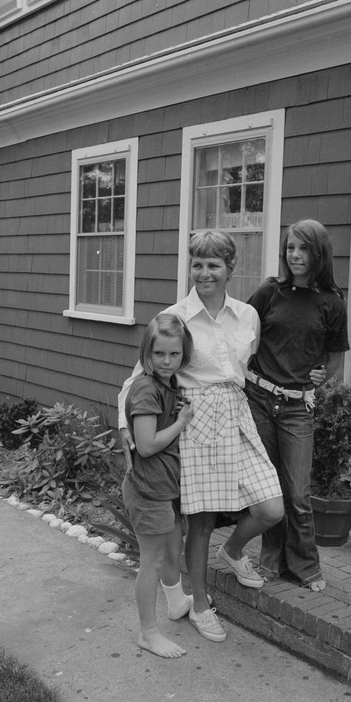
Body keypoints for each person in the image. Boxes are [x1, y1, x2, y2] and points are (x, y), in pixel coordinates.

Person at [118, 230, 284, 643]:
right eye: (197, 264)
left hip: (237, 414)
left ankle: (232, 553)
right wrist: (125, 426)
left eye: (213, 265)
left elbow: (246, 368)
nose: (204, 273)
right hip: (196, 422)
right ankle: (200, 605)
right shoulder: (177, 317)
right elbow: (138, 376)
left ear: (230, 269)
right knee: (202, 522)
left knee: (271, 508)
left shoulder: (247, 315)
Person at [244, 219, 350, 592]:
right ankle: (271, 559)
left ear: (318, 253)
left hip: (296, 409)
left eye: (304, 249)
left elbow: (335, 357)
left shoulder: (332, 304)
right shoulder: (269, 293)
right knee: (269, 490)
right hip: (258, 400)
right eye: (291, 248)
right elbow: (242, 336)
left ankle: (305, 565)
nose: (296, 255)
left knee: (298, 493)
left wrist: (323, 378)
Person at [121, 313, 195, 658]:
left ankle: (176, 603)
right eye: (159, 354)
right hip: (148, 490)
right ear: (146, 354)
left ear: (184, 355)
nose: (166, 361)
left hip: (162, 487)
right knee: (151, 561)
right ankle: (148, 633)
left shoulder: (167, 384)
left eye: (174, 354)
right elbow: (147, 444)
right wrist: (181, 422)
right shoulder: (149, 389)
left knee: (169, 551)